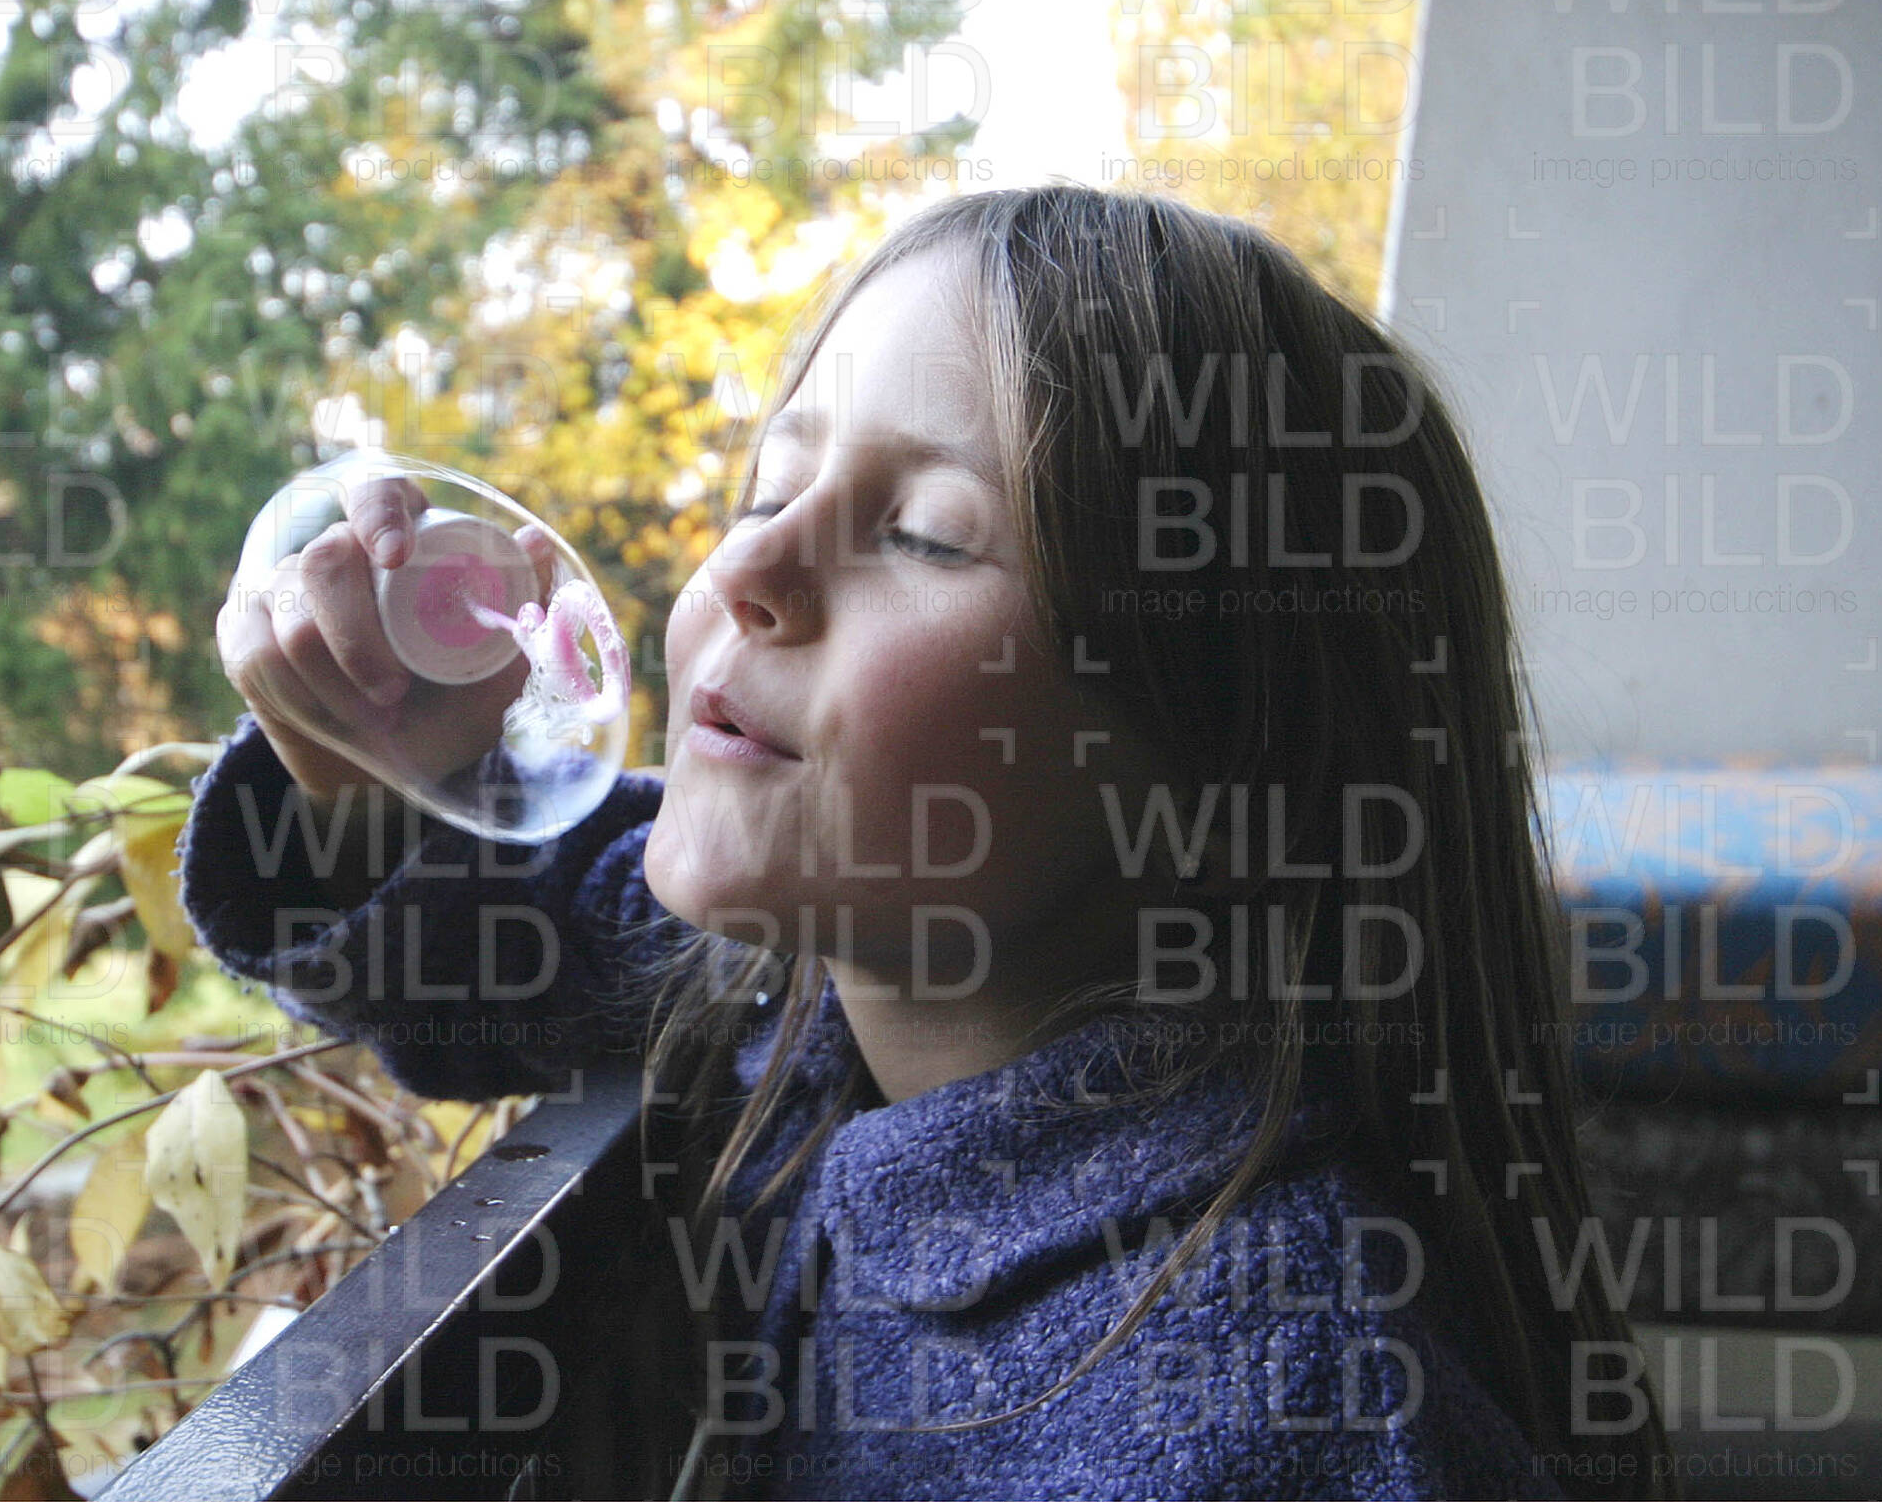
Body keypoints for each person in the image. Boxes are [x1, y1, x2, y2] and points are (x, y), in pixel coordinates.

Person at [178, 185, 1676, 1501]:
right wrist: (371, 764)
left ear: (1222, 754)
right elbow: (520, 919)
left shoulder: (1284, 1422)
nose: (750, 564)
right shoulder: (811, 1004)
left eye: (925, 534)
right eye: (769, 488)